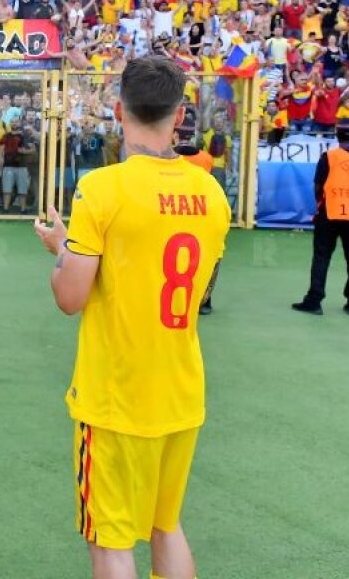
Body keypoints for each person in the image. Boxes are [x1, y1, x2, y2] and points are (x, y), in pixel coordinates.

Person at [34, 57, 230, 579]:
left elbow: (70, 296)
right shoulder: (211, 193)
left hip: (117, 398)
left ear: (118, 110)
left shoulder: (102, 188)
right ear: (179, 115)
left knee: (111, 542)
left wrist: (61, 251)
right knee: (166, 526)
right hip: (181, 390)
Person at [292, 121, 349, 315]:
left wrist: (321, 204)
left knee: (322, 256)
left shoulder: (329, 157)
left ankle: (314, 300)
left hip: (330, 212)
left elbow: (318, 186)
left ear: (337, 136)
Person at [173, 110, 215, 315]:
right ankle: (204, 301)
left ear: (175, 133)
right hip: (200, 211)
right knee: (203, 257)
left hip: (175, 210)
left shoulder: (170, 157)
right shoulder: (206, 158)